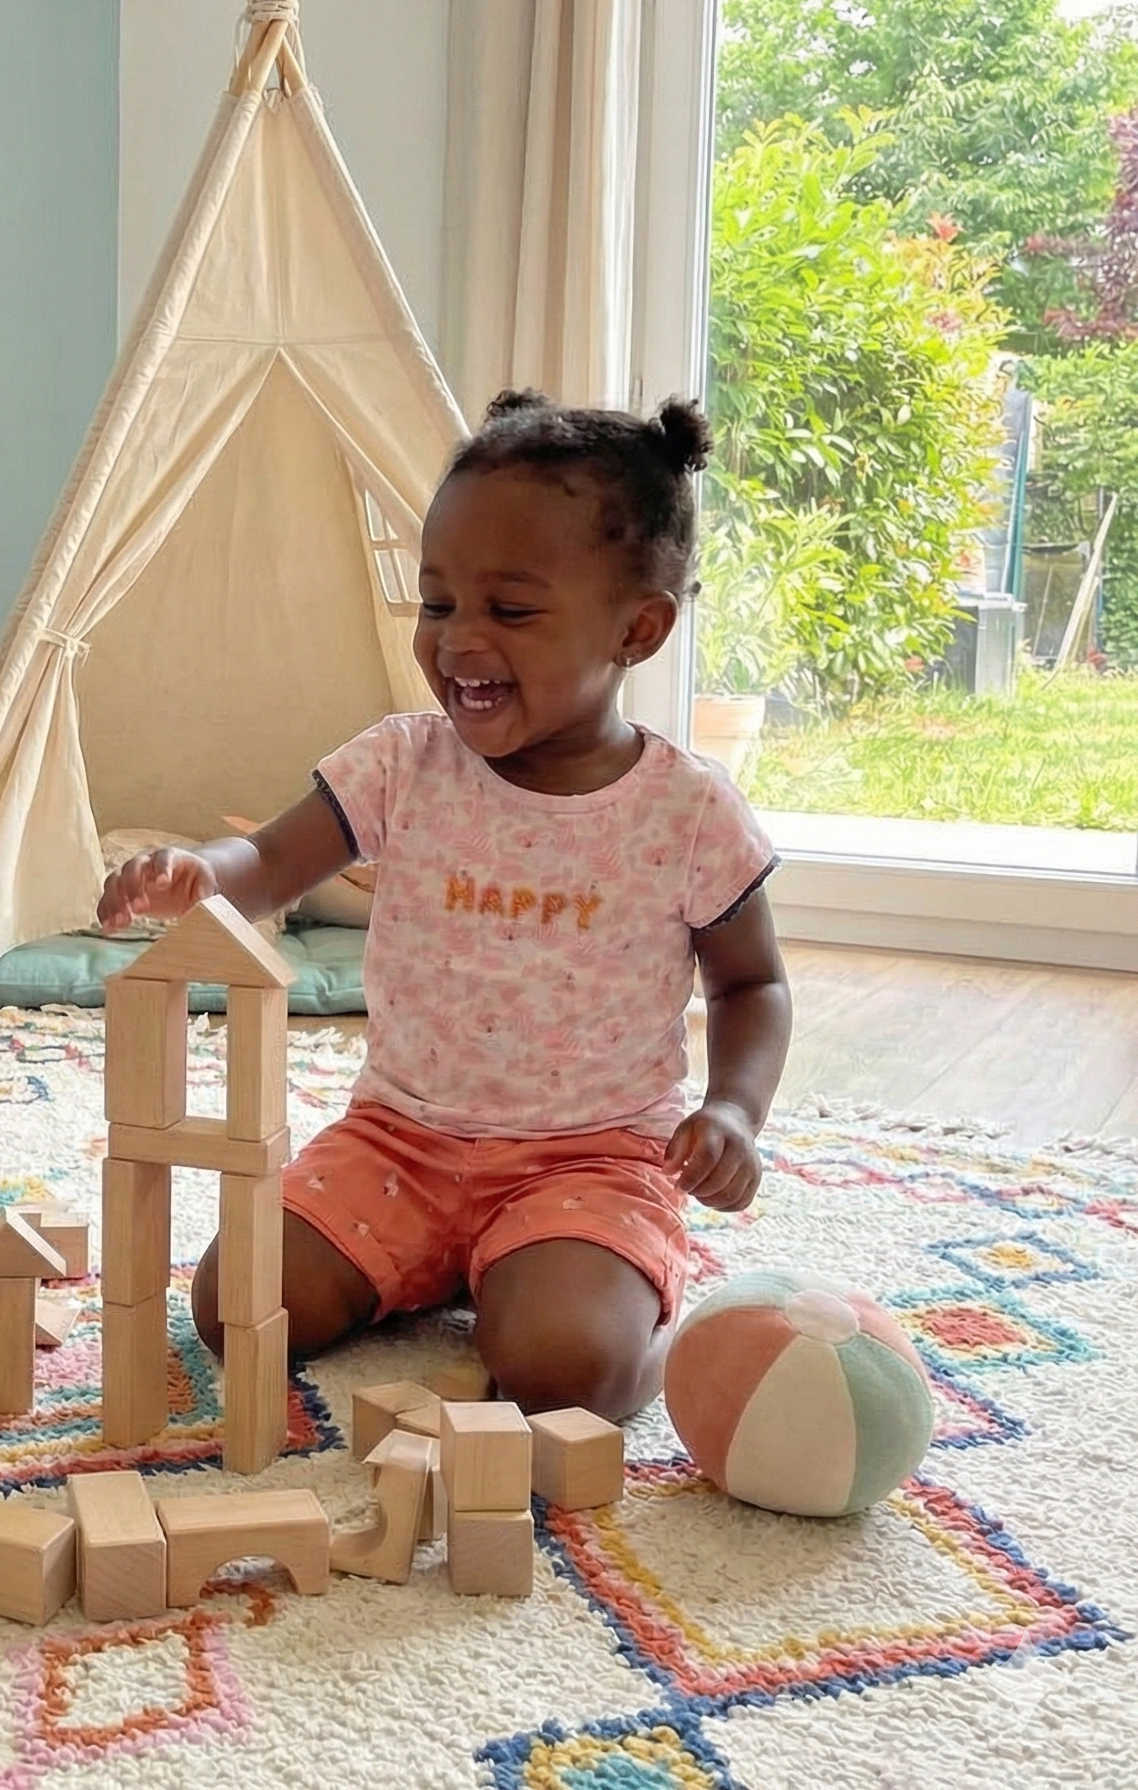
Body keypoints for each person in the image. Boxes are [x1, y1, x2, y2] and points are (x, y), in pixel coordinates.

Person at [97, 389, 792, 1421]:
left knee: (561, 1375)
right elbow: (269, 860)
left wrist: (732, 1108)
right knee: (231, 1304)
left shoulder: (686, 808)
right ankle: (448, 1265)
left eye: (508, 610)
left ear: (636, 629)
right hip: (396, 1143)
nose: (457, 640)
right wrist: (199, 871)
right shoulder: (399, 761)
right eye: (436, 602)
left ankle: (627, 1316)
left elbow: (752, 981)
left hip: (590, 1156)